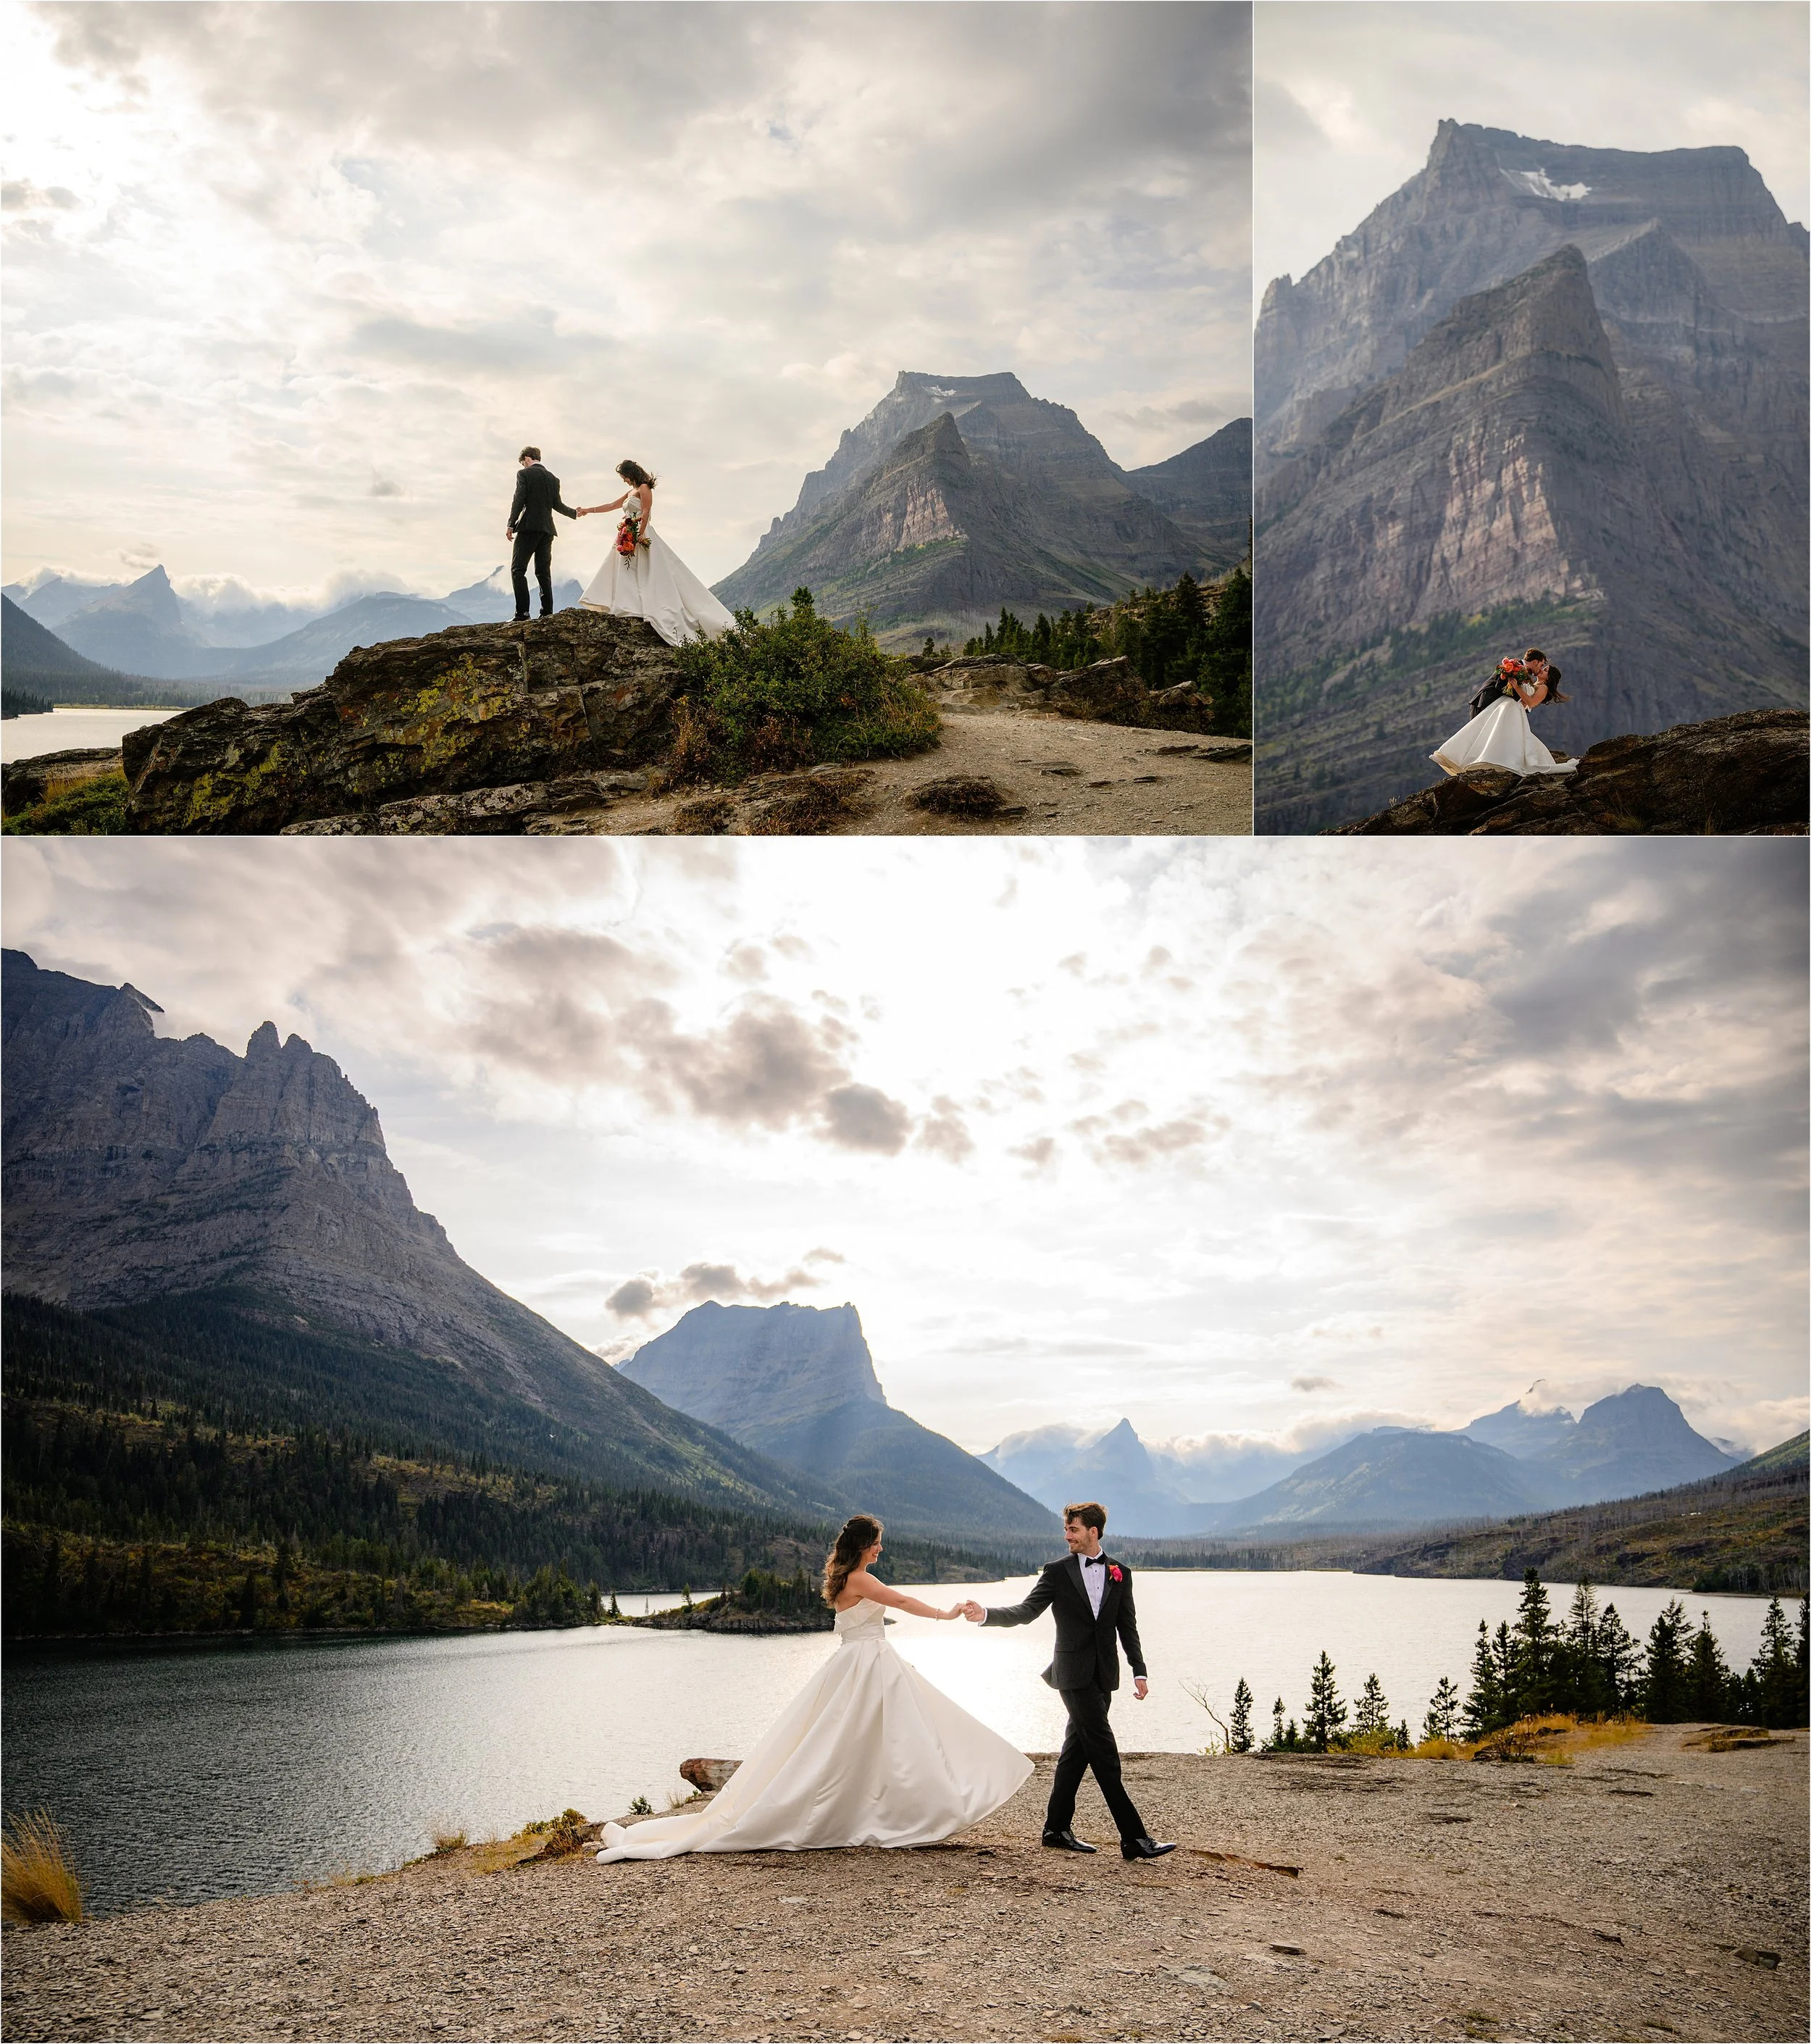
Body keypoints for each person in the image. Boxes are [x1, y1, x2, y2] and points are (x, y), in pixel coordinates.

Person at [593, 1514, 1031, 1861]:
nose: (881, 1548)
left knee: (879, 1740)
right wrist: (946, 1613)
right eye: (877, 1541)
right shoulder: (860, 1579)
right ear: (863, 1545)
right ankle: (895, 1810)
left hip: (862, 1662)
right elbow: (898, 1601)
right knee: (885, 1739)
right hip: (868, 1665)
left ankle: (892, 1809)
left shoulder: (847, 1578)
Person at [960, 1502, 1176, 1861]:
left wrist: (1139, 1670)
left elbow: (1128, 1626)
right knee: (1105, 1754)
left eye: (1073, 1530)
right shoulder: (1057, 1572)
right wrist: (986, 1615)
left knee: (1076, 1753)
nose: (1067, 1536)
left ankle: (1056, 1829)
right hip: (1072, 1676)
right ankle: (1134, 1839)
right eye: (1066, 1529)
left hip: (1104, 1676)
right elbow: (1027, 1612)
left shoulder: (1120, 1572)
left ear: (1094, 1532)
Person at [575, 459, 736, 646]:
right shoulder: (630, 492)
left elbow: (645, 513)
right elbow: (612, 506)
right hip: (628, 533)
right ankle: (628, 606)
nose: (624, 481)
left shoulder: (644, 488)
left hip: (640, 534)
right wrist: (588, 510)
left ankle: (642, 607)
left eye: (625, 477)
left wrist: (638, 536)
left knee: (646, 571)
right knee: (625, 569)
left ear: (631, 474)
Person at [1433, 646, 1576, 778]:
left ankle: (1485, 759)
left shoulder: (1541, 687)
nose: (1541, 669)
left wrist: (1518, 688)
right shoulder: (1521, 672)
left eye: (1544, 669)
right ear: (1535, 661)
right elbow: (1501, 686)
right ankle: (1465, 758)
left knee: (1493, 734)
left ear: (1549, 677)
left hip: (1508, 708)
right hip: (1494, 703)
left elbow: (1530, 702)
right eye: (1542, 666)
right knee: (1485, 733)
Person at [505, 446, 580, 622]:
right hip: (547, 530)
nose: (523, 466)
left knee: (518, 570)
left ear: (527, 458)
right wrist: (574, 513)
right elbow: (557, 504)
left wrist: (511, 524)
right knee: (543, 572)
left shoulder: (524, 475)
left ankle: (522, 613)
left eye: (523, 463)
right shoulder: (554, 479)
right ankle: (547, 612)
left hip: (529, 527)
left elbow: (519, 500)